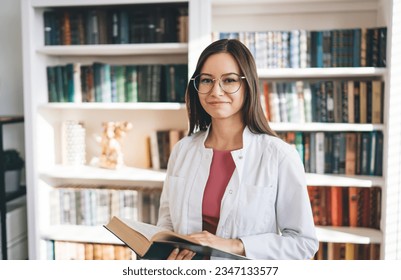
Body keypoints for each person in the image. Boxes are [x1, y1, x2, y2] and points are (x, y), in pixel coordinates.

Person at [156, 38, 319, 260]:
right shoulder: (182, 150)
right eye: (206, 80)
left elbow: (303, 244)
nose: (216, 91)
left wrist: (234, 245)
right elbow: (166, 223)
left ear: (248, 85)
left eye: (229, 80)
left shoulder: (279, 155)